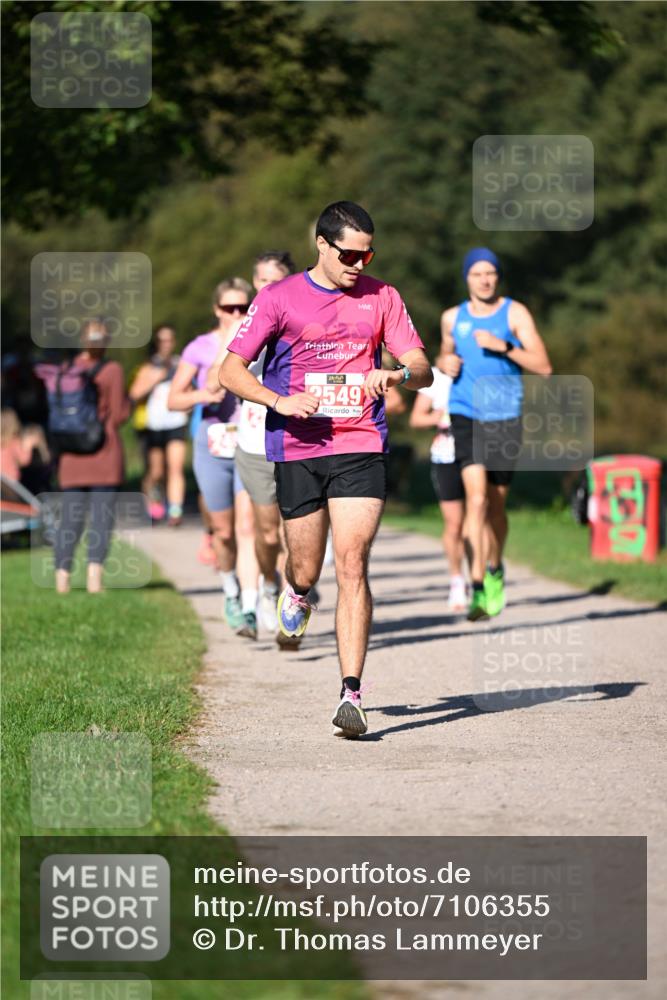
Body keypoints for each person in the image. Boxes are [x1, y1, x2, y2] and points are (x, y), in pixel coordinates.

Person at [219, 201, 432, 737]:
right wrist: (278, 400)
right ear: (321, 244)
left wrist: (397, 375)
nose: (359, 264)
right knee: (307, 569)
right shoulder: (277, 298)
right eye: (349, 254)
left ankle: (352, 694)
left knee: (353, 562)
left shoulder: (383, 296)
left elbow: (423, 368)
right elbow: (229, 370)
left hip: (360, 442)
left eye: (368, 253)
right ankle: (294, 592)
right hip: (297, 446)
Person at [437, 247, 552, 621]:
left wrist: (504, 346)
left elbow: (544, 366)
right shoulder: (452, 317)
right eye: (477, 274)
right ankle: (478, 586)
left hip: (504, 416)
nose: (484, 280)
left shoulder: (514, 313)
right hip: (465, 412)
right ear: (466, 278)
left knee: (496, 506)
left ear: (497, 277)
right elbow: (444, 356)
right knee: (477, 500)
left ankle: (496, 565)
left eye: (490, 274)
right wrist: (445, 362)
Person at [206, 250, 297, 643]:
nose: (267, 287)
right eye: (261, 280)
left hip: (300, 440)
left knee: (296, 532)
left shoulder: (302, 320)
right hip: (255, 440)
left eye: (275, 280)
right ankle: (270, 584)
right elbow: (217, 381)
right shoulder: (244, 327)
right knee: (266, 534)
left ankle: (294, 601)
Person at [167, 279, 253, 635]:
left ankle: (250, 604)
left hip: (249, 440)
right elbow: (174, 399)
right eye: (229, 308)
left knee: (247, 525)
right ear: (217, 310)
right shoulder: (200, 347)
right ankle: (231, 589)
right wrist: (202, 395)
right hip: (212, 441)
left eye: (243, 307)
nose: (236, 314)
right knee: (223, 530)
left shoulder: (261, 341)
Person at [35, 320, 131, 594]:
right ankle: (93, 581)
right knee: (101, 517)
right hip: (104, 453)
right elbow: (119, 414)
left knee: (70, 519)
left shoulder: (65, 370)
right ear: (107, 340)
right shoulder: (112, 370)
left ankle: (62, 580)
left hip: (71, 457)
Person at [409, 363, 470, 611]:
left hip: (478, 452)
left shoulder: (480, 369)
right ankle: (457, 580)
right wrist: (443, 415)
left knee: (478, 518)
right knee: (454, 524)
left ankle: (480, 577)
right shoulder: (437, 376)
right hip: (446, 454)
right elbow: (416, 418)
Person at [129, 325, 187, 526]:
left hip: (176, 422)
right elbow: (134, 394)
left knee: (175, 468)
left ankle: (175, 511)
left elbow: (189, 388)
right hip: (154, 426)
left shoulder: (180, 363)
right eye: (162, 340)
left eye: (169, 339)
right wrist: (155, 379)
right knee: (156, 472)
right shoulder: (148, 367)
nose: (166, 344)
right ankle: (153, 503)